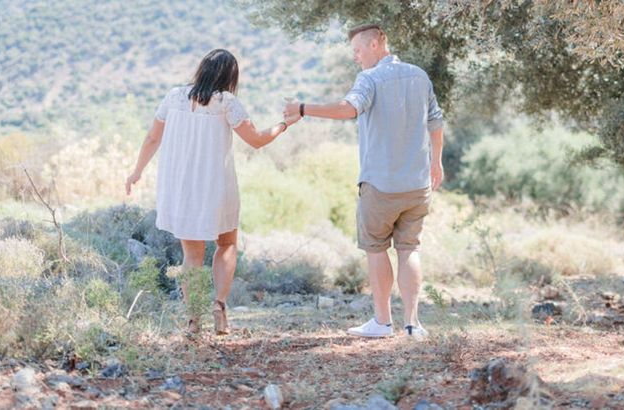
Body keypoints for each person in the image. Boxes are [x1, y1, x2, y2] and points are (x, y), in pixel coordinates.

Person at [284, 24, 444, 339]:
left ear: (376, 44)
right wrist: (436, 162)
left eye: (358, 50)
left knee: (376, 249)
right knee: (409, 249)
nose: (356, 58)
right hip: (417, 183)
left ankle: (382, 322)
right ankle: (413, 324)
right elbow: (436, 121)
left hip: (380, 185)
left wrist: (302, 109)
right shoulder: (419, 75)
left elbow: (348, 110)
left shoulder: (369, 79)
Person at [126, 48, 296, 335]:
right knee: (226, 244)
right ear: (230, 76)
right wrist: (284, 125)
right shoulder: (226, 102)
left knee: (192, 256)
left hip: (181, 186)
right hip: (216, 184)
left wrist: (137, 171)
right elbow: (256, 140)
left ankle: (193, 320)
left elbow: (153, 137)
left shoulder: (174, 96)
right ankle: (219, 305)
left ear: (202, 69)